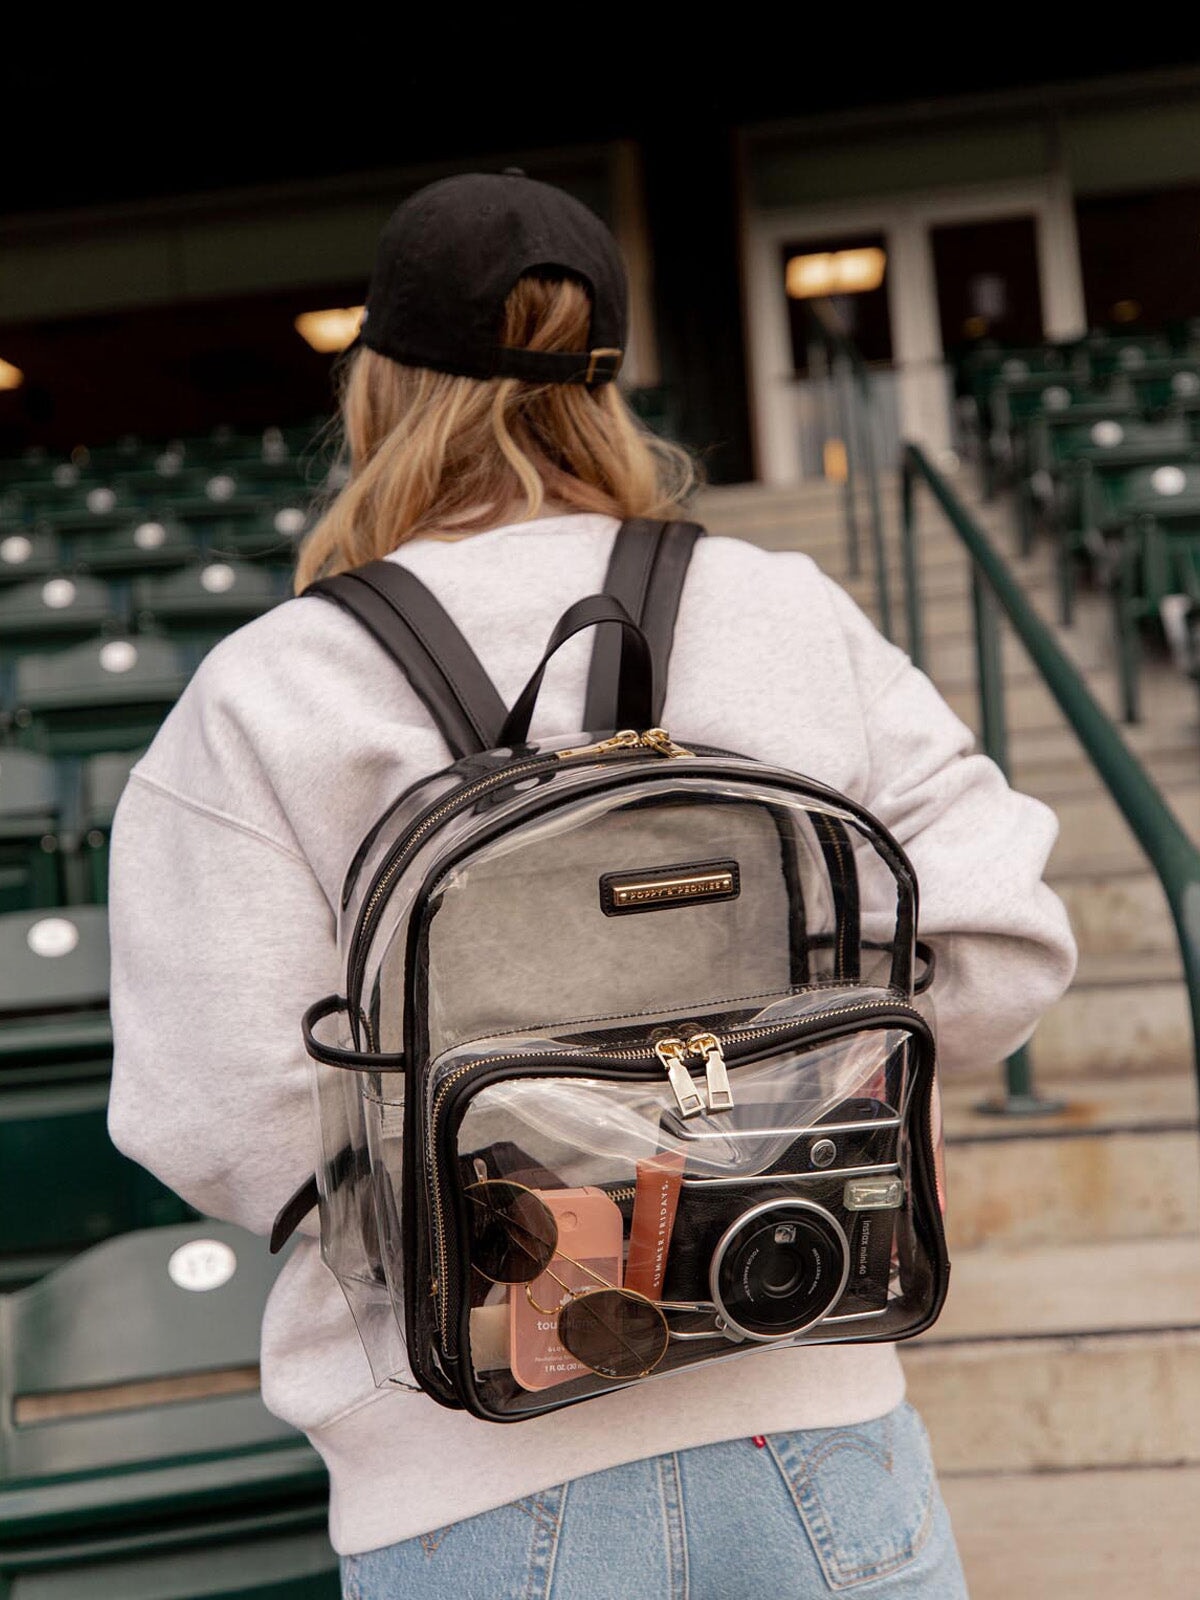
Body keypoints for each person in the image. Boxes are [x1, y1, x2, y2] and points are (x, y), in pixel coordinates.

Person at [108, 171, 1076, 1599]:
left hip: (466, 1476)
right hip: (811, 1419)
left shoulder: (270, 684)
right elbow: (1002, 950)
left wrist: (529, 1186)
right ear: (608, 383)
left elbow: (206, 1109)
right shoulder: (786, 610)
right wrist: (757, 1113)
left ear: (378, 385)